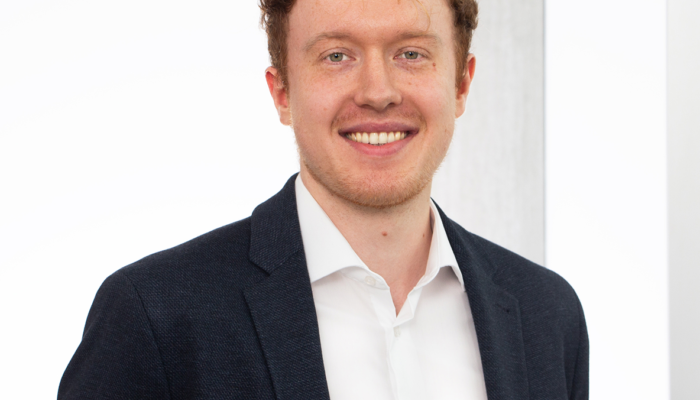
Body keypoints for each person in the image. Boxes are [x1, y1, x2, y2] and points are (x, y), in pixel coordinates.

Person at [58, 0, 589, 398]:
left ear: (461, 85)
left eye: (411, 53)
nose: (378, 92)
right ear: (282, 93)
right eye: (337, 56)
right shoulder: (155, 316)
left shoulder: (548, 316)